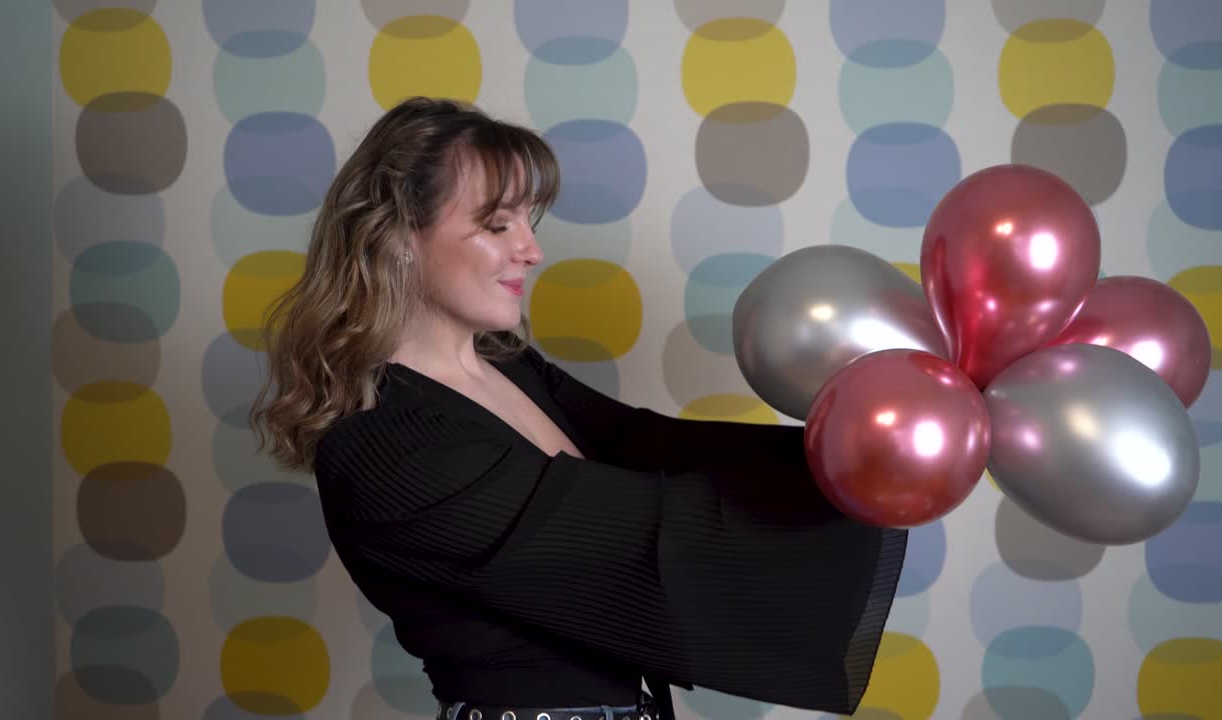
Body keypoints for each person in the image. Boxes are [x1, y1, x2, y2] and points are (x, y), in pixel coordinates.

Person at [251, 96, 907, 720]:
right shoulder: (384, 445)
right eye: (496, 223)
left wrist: (856, 450)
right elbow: (641, 529)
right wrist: (859, 477)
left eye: (529, 223)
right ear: (397, 236)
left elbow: (651, 444)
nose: (531, 250)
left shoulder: (509, 365)